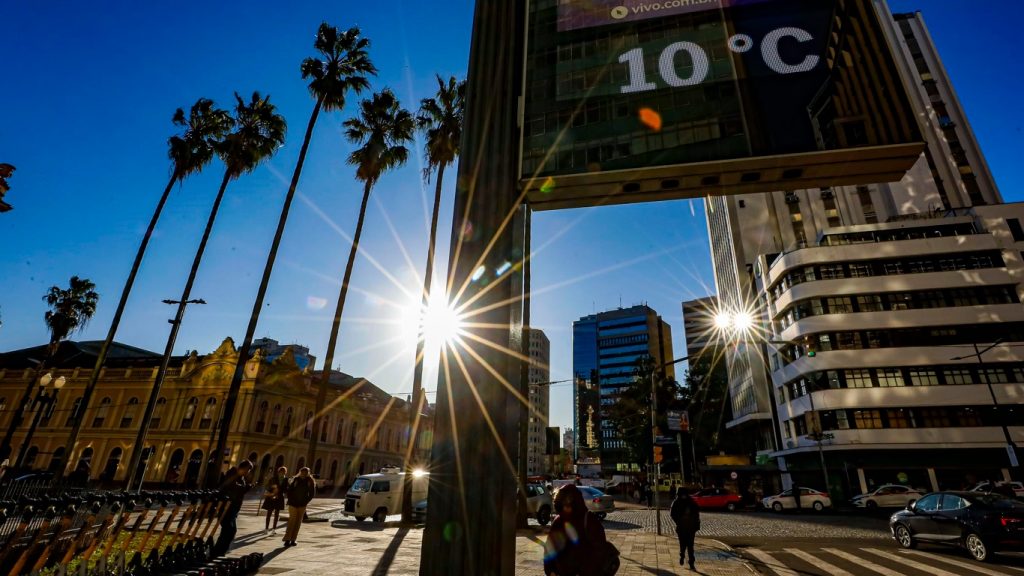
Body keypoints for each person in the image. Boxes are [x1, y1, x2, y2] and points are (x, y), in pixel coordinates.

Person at [544, 485, 618, 576]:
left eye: (567, 506)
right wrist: (550, 571)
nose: (565, 509)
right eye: (562, 506)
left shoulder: (589, 520)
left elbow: (599, 550)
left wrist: (585, 572)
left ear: (576, 503)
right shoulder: (558, 521)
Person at [213, 459, 253, 556]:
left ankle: (220, 551)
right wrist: (246, 487)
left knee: (229, 530)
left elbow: (239, 491)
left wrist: (246, 487)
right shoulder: (232, 474)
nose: (248, 473)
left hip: (234, 508)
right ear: (243, 468)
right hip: (227, 507)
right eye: (248, 470)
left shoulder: (241, 478)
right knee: (229, 530)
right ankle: (218, 552)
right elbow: (233, 487)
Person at [283, 467, 316, 547]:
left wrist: (305, 501)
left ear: (308, 473)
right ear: (300, 472)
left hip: (302, 505)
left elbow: (312, 494)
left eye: (305, 472)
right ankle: (287, 539)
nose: (304, 473)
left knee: (298, 522)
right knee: (292, 521)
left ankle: (293, 539)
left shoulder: (310, 481)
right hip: (293, 504)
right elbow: (289, 491)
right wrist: (291, 499)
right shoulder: (295, 479)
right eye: (302, 472)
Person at [670, 487, 701, 571]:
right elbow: (672, 514)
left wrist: (694, 524)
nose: (683, 496)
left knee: (689, 546)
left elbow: (696, 514)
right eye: (682, 495)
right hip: (683, 527)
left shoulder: (688, 502)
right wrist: (678, 521)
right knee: (684, 545)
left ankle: (691, 562)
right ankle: (683, 556)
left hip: (688, 528)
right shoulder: (679, 502)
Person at [262, 466, 288, 535]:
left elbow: (286, 490)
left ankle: (274, 529)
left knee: (277, 514)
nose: (282, 473)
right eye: (280, 472)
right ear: (278, 472)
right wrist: (272, 490)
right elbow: (268, 486)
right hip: (271, 497)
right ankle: (266, 528)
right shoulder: (273, 479)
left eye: (283, 472)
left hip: (279, 498)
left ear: (285, 472)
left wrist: (283, 491)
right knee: (269, 514)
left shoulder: (286, 480)